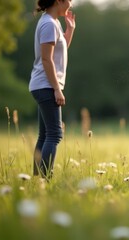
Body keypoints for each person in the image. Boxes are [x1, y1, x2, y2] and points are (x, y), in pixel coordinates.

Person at [29, 0, 75, 179]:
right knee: (54, 135)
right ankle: (45, 179)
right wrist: (56, 88)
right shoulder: (48, 23)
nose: (70, 4)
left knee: (45, 135)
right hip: (46, 85)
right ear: (58, 1)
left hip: (43, 85)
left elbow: (60, 51)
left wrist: (70, 30)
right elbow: (47, 60)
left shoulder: (52, 22)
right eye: (69, 1)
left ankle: (36, 179)